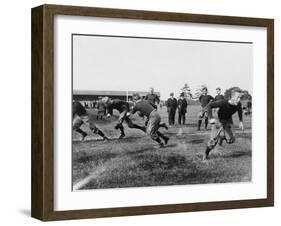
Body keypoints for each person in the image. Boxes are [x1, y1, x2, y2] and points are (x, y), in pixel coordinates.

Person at [203, 88, 244, 160]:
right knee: (213, 141)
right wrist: (211, 118)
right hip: (218, 120)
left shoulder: (238, 104)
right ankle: (206, 154)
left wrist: (241, 121)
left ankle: (221, 137)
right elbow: (209, 106)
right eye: (238, 97)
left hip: (228, 120)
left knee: (231, 140)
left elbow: (240, 110)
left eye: (240, 97)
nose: (239, 100)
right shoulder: (223, 102)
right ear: (232, 97)